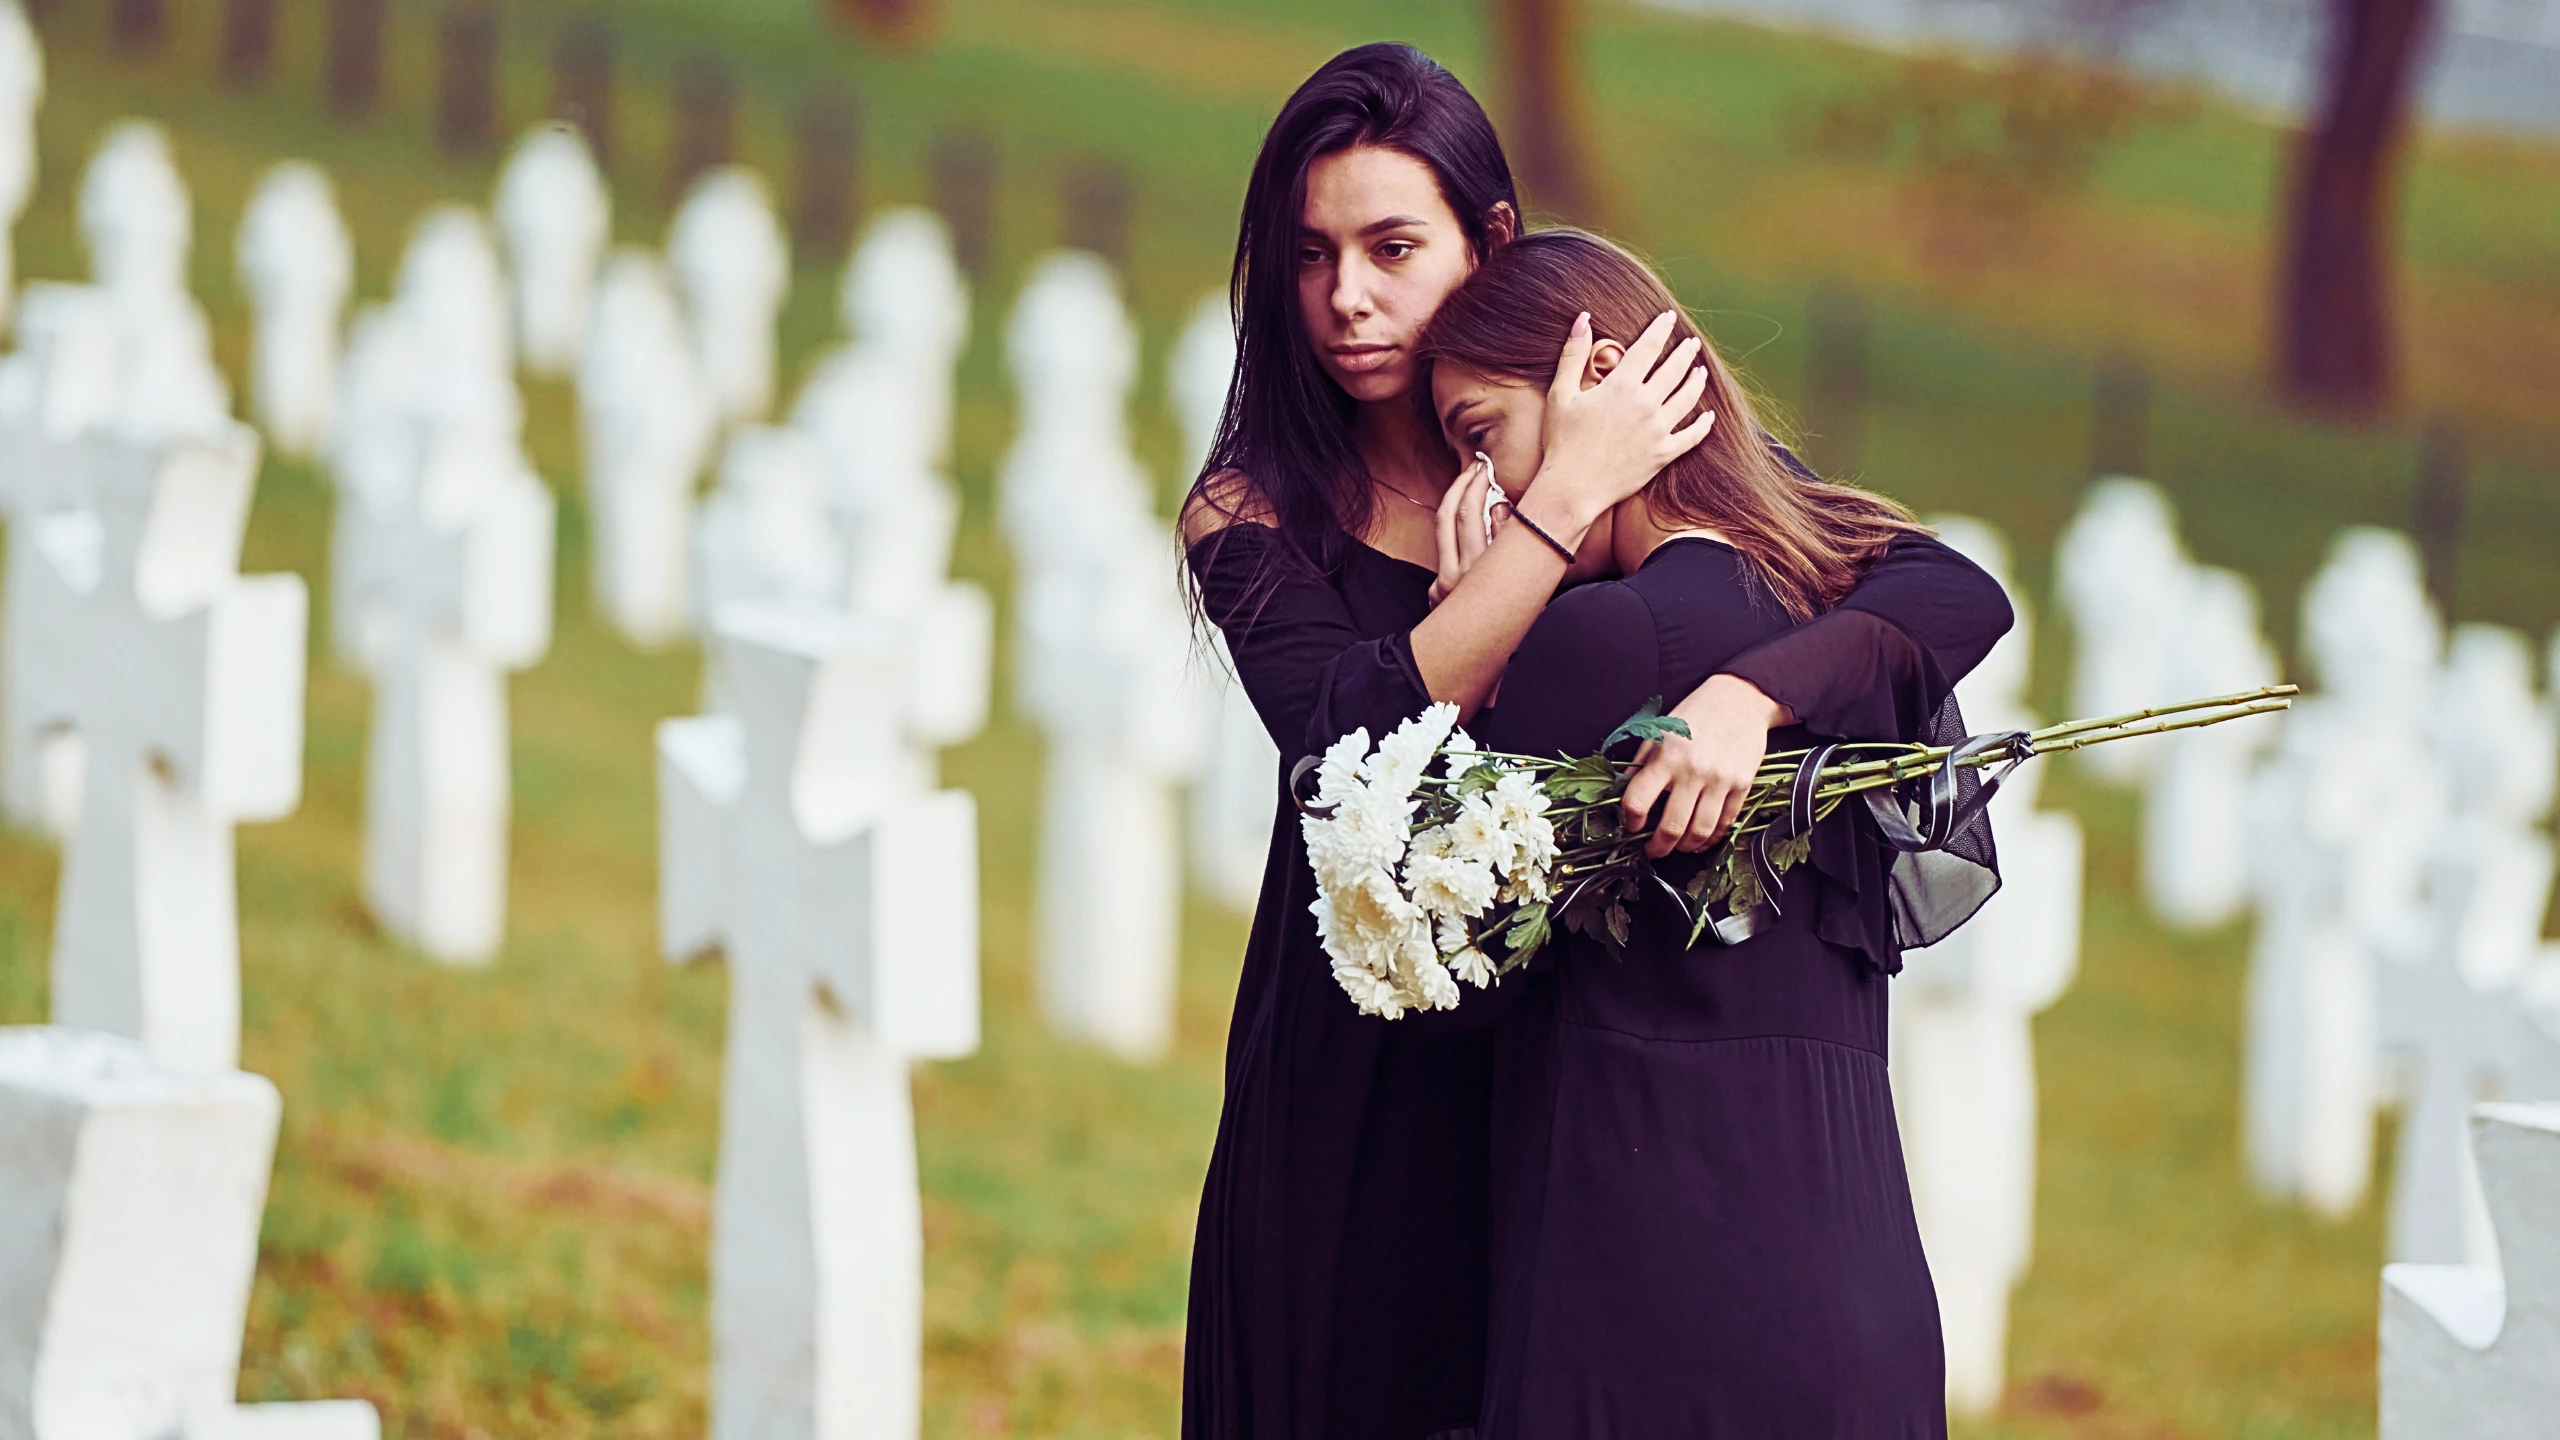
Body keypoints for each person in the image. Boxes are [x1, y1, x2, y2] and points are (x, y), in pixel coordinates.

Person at [1181, 44, 2008, 1440]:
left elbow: (1929, 586)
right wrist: (1556, 511)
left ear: (1488, 243)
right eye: (1310, 254)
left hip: (1573, 1091)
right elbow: (1346, 749)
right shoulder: (1253, 508)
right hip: (1365, 1059)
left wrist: (1753, 698)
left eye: (1393, 247)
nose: (1347, 299)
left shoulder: (1620, 434)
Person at [1423, 229, 2006, 1436]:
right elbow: (1966, 591)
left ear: (1600, 391)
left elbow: (1458, 965)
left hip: (1647, 1300)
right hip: (1857, 1301)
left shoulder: (1602, 643)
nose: (1474, 489)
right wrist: (1756, 688)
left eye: (1481, 436)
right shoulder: (1830, 591)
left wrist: (1475, 664)